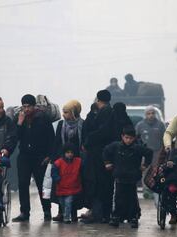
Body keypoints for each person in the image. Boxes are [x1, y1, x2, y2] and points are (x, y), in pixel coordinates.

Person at [12, 94, 55, 222]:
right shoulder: (19, 118)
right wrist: (19, 123)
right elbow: (15, 138)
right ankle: (24, 212)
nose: (26, 109)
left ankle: (47, 211)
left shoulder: (43, 117)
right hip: (24, 155)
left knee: (42, 185)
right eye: (24, 106)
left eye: (28, 106)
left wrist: (49, 156)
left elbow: (51, 138)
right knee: (23, 183)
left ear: (33, 106)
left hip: (40, 156)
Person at [104, 126, 153, 228]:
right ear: (122, 136)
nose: (128, 140)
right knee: (118, 197)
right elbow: (106, 151)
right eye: (126, 138)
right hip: (119, 177)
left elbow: (149, 153)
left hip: (132, 178)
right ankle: (116, 216)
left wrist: (145, 165)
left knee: (132, 198)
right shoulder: (116, 146)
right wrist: (107, 163)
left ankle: (133, 217)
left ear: (134, 138)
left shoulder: (137, 148)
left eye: (131, 138)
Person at [82, 90, 115, 223]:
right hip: (103, 155)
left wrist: (88, 140)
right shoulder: (108, 112)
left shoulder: (105, 113)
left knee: (97, 184)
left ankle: (98, 214)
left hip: (98, 155)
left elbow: (101, 132)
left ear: (98, 100)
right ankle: (102, 214)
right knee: (103, 185)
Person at [51, 144, 83, 223]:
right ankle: (68, 216)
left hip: (72, 188)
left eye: (71, 152)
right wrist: (58, 179)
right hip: (61, 188)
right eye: (68, 152)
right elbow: (54, 173)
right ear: (64, 153)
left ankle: (66, 218)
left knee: (68, 203)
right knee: (63, 204)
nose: (70, 154)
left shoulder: (78, 161)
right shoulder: (58, 163)